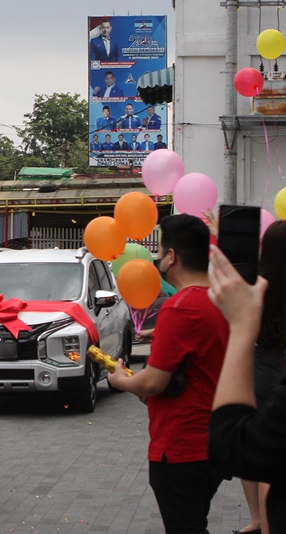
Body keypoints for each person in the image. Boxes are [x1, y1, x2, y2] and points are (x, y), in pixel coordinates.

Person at [108, 214, 230, 533]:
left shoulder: (180, 307)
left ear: (172, 256)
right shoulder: (222, 300)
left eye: (159, 252)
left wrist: (121, 380)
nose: (157, 259)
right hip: (214, 440)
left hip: (181, 446)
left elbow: (153, 382)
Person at [207, 244, 286, 534]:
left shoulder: (259, 291)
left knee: (264, 455)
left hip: (262, 370)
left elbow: (230, 446)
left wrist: (241, 326)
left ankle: (259, 521)